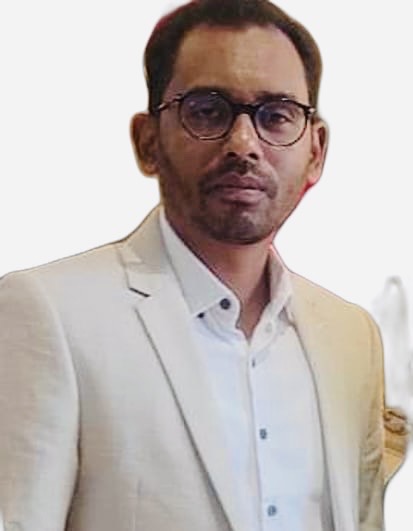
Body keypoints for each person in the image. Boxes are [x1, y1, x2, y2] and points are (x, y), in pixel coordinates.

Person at [0, 1, 385, 530]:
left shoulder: (351, 337)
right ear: (148, 141)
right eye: (207, 111)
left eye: (276, 116)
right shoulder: (52, 315)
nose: (244, 144)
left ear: (315, 151)